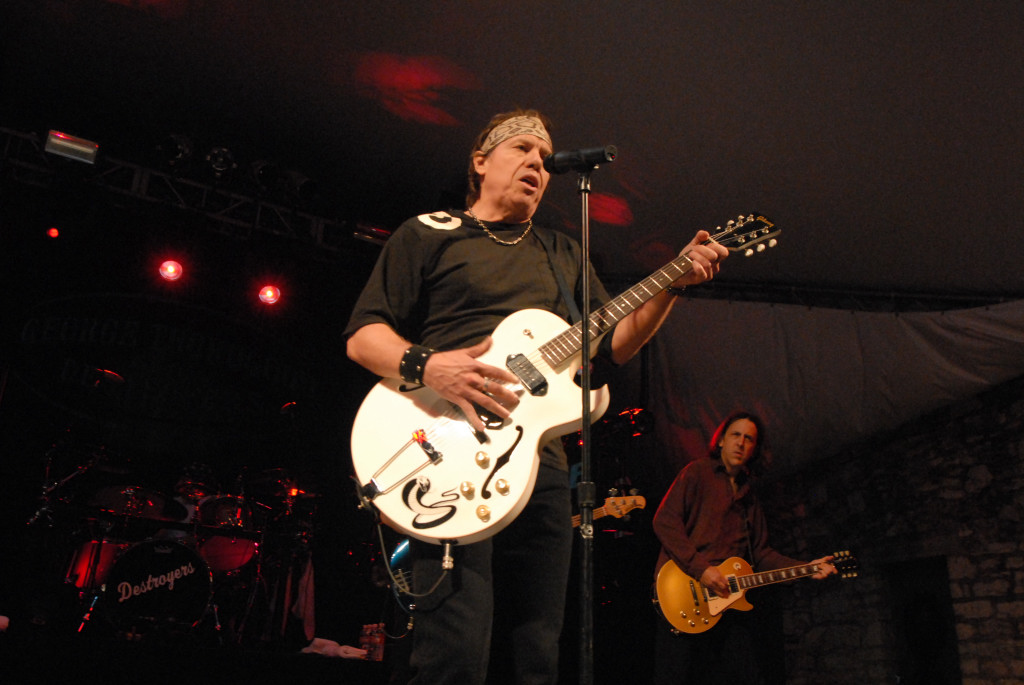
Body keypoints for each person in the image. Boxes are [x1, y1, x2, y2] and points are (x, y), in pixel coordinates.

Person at [344, 108, 729, 685]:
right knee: (455, 650)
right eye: (522, 149)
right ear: (481, 162)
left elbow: (614, 343)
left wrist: (671, 284)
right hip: (446, 450)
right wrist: (432, 367)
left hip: (540, 467)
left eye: (546, 159)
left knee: (538, 653)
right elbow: (362, 337)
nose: (538, 164)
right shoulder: (427, 233)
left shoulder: (562, 251)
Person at [651, 410, 837, 684]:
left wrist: (806, 568)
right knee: (678, 676)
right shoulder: (697, 472)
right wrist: (702, 570)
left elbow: (761, 553)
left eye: (749, 439)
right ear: (721, 440)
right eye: (735, 435)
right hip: (685, 592)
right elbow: (664, 521)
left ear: (754, 449)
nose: (741, 442)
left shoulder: (749, 496)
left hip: (727, 600)